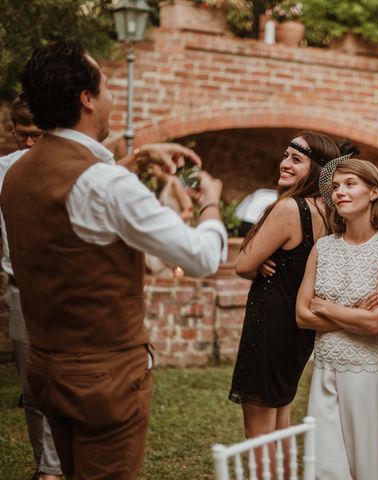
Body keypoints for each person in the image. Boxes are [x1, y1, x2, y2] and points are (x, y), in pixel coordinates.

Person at [0, 40, 228, 479]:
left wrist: (136, 159)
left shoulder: (14, 173)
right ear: (86, 99)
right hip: (105, 379)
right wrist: (211, 205)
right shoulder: (104, 184)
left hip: (47, 368)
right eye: (106, 87)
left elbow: (78, 206)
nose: (110, 98)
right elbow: (201, 258)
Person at [229, 132, 341, 446]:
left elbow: (242, 265)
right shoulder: (330, 213)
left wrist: (258, 262)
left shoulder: (290, 208)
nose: (284, 164)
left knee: (259, 434)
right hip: (297, 328)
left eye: (296, 159)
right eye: (285, 156)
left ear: (318, 169)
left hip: (270, 324)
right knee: (280, 422)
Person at [296, 158, 378, 479]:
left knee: (370, 471)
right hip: (325, 370)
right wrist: (354, 313)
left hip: (369, 373)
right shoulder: (323, 248)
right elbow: (302, 316)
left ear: (373, 192)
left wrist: (325, 308)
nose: (340, 192)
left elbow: (375, 324)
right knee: (325, 471)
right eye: (336, 187)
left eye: (350, 184)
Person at [0, 95, 62, 480]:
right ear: (13, 133)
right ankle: (46, 465)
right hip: (20, 292)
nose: (29, 144)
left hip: (62, 291)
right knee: (32, 387)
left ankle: (58, 466)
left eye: (38, 136)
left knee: (62, 382)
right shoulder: (2, 171)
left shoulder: (65, 171)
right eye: (23, 135)